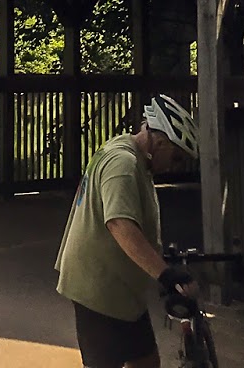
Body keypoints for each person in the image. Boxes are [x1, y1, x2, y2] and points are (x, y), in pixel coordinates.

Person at [55, 95, 200, 368]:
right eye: (177, 157)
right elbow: (120, 224)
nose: (176, 165)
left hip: (120, 290)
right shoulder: (123, 164)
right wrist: (165, 274)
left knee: (145, 362)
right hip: (98, 288)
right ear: (160, 142)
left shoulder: (130, 154)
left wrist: (158, 256)